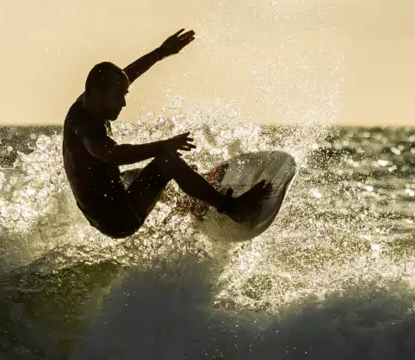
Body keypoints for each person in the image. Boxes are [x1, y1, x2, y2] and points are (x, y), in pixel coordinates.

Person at [62, 28, 270, 239]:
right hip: (120, 218)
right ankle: (232, 207)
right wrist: (164, 146)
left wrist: (161, 52)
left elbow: (128, 74)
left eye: (124, 94)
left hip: (101, 211)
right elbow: (113, 155)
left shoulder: (87, 103)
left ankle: (191, 203)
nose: (123, 103)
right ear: (97, 94)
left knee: (133, 176)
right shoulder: (85, 127)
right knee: (168, 162)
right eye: (118, 96)